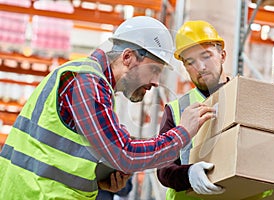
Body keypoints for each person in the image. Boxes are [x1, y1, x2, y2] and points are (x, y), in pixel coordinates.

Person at [0, 16, 217, 199]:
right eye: (154, 70)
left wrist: (98, 181)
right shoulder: (86, 82)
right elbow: (126, 154)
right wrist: (182, 133)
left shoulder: (91, 83)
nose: (156, 82)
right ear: (128, 57)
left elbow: (57, 157)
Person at [157, 20, 230, 199]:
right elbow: (163, 168)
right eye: (190, 62)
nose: (201, 67)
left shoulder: (246, 97)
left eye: (206, 56)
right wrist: (188, 174)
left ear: (222, 55)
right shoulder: (175, 110)